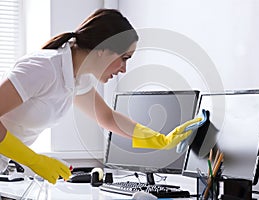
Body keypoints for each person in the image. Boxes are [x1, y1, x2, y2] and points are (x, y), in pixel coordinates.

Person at [0, 9, 201, 184]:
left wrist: (159, 140)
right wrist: (34, 160)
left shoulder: (77, 78)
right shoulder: (44, 68)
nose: (124, 69)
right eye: (124, 58)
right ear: (101, 50)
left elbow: (107, 117)